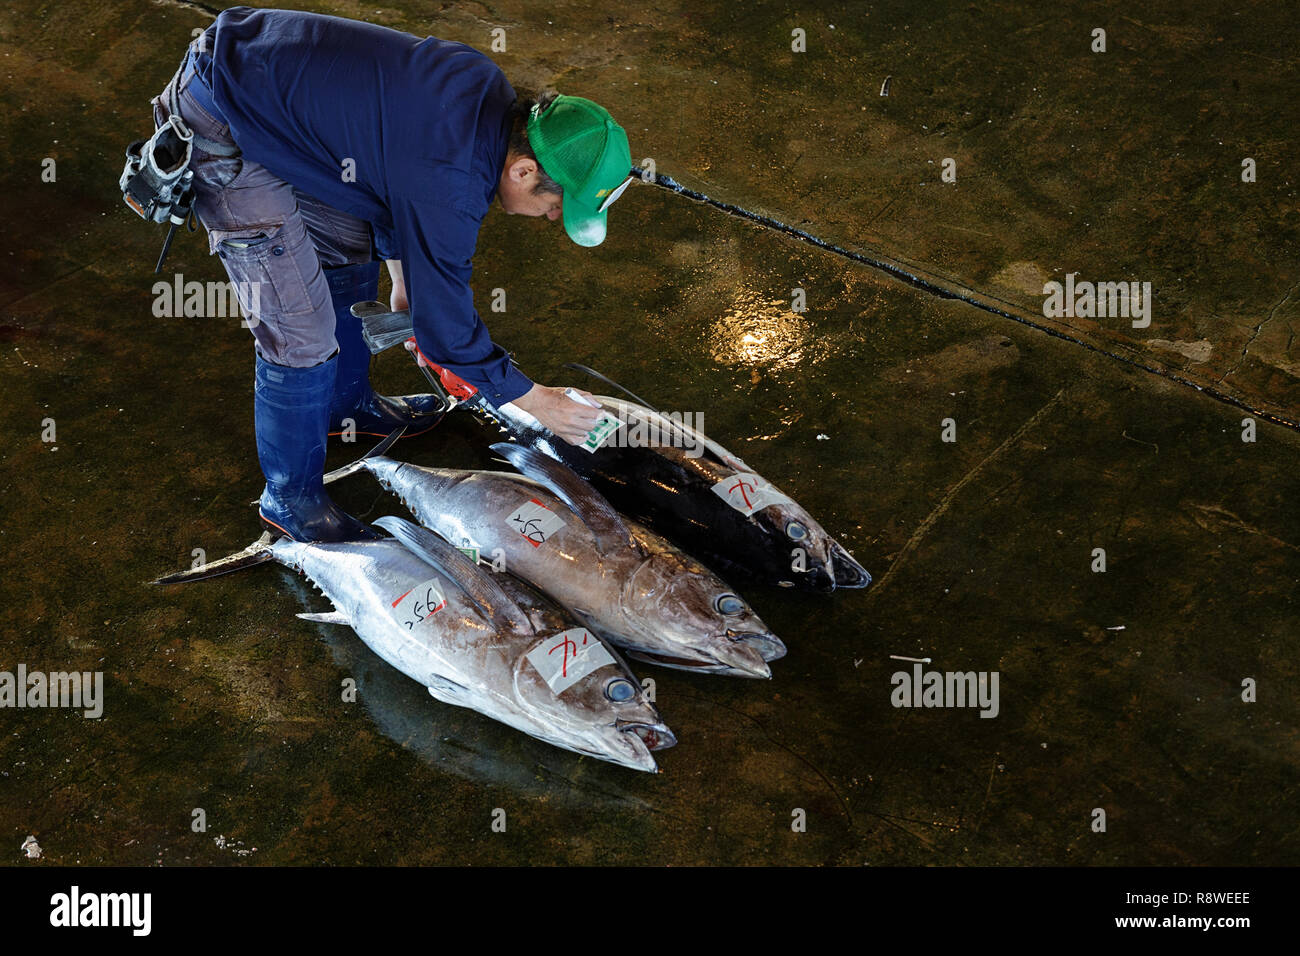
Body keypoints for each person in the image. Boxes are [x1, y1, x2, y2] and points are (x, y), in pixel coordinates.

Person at [149, 6, 635, 541]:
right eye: (553, 207)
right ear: (523, 171)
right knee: (300, 335)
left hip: (275, 91)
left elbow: (388, 179)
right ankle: (291, 500)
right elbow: (445, 326)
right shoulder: (452, 179)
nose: (549, 220)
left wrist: (404, 279)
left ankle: (345, 405)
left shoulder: (486, 97)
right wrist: (535, 399)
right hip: (224, 116)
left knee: (350, 247)